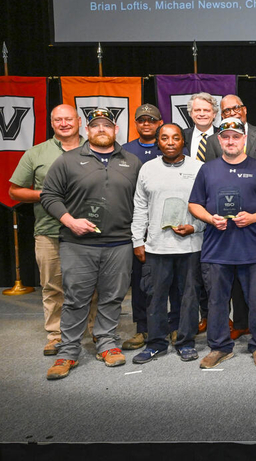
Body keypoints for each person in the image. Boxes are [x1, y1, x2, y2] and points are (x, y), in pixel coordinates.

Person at [41, 107, 142, 379]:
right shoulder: (68, 160)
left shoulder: (131, 162)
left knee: (113, 297)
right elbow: (49, 196)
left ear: (116, 130)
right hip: (78, 243)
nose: (101, 129)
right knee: (75, 299)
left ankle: (107, 343)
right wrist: (70, 221)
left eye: (106, 125)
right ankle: (68, 351)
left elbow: (141, 202)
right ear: (87, 130)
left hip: (119, 243)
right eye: (95, 125)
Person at [188, 117, 256, 369]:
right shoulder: (207, 169)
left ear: (244, 139)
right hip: (217, 247)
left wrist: (255, 216)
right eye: (225, 137)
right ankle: (219, 347)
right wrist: (210, 218)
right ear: (219, 140)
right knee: (216, 300)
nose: (230, 141)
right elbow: (194, 203)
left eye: (236, 136)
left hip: (253, 247)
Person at [9, 104, 85, 356]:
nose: (64, 124)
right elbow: (14, 190)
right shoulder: (36, 153)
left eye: (68, 119)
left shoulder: (95, 148)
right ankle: (56, 334)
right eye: (58, 120)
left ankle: (94, 330)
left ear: (79, 121)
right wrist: (45, 194)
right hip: (49, 231)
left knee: (90, 286)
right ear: (52, 124)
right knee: (53, 286)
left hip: (90, 232)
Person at [205, 94, 256, 340]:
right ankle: (238, 325)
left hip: (253, 230)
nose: (230, 140)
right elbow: (205, 189)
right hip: (222, 233)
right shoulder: (213, 147)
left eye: (236, 108)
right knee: (226, 287)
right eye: (226, 111)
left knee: (255, 289)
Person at [131, 124, 205, 363]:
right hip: (156, 246)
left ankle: (185, 341)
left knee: (188, 297)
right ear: (158, 141)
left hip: (190, 246)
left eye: (175, 137)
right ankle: (156, 343)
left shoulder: (198, 168)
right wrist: (137, 240)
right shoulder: (147, 169)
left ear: (183, 141)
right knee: (155, 296)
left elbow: (206, 206)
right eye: (165, 138)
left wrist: (196, 227)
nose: (170, 142)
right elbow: (140, 207)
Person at [121, 104, 164, 351]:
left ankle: (174, 324)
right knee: (140, 281)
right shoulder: (125, 151)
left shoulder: (172, 146)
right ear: (136, 124)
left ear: (159, 122)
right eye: (141, 120)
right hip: (139, 225)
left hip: (168, 225)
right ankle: (142, 328)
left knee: (174, 280)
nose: (146, 124)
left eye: (151, 120)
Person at [182, 92, 220, 333]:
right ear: (190, 113)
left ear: (214, 113)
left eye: (206, 110)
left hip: (217, 210)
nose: (202, 114)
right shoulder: (180, 137)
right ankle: (197, 317)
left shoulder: (225, 137)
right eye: (197, 110)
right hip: (187, 208)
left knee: (216, 271)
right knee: (192, 272)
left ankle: (217, 317)